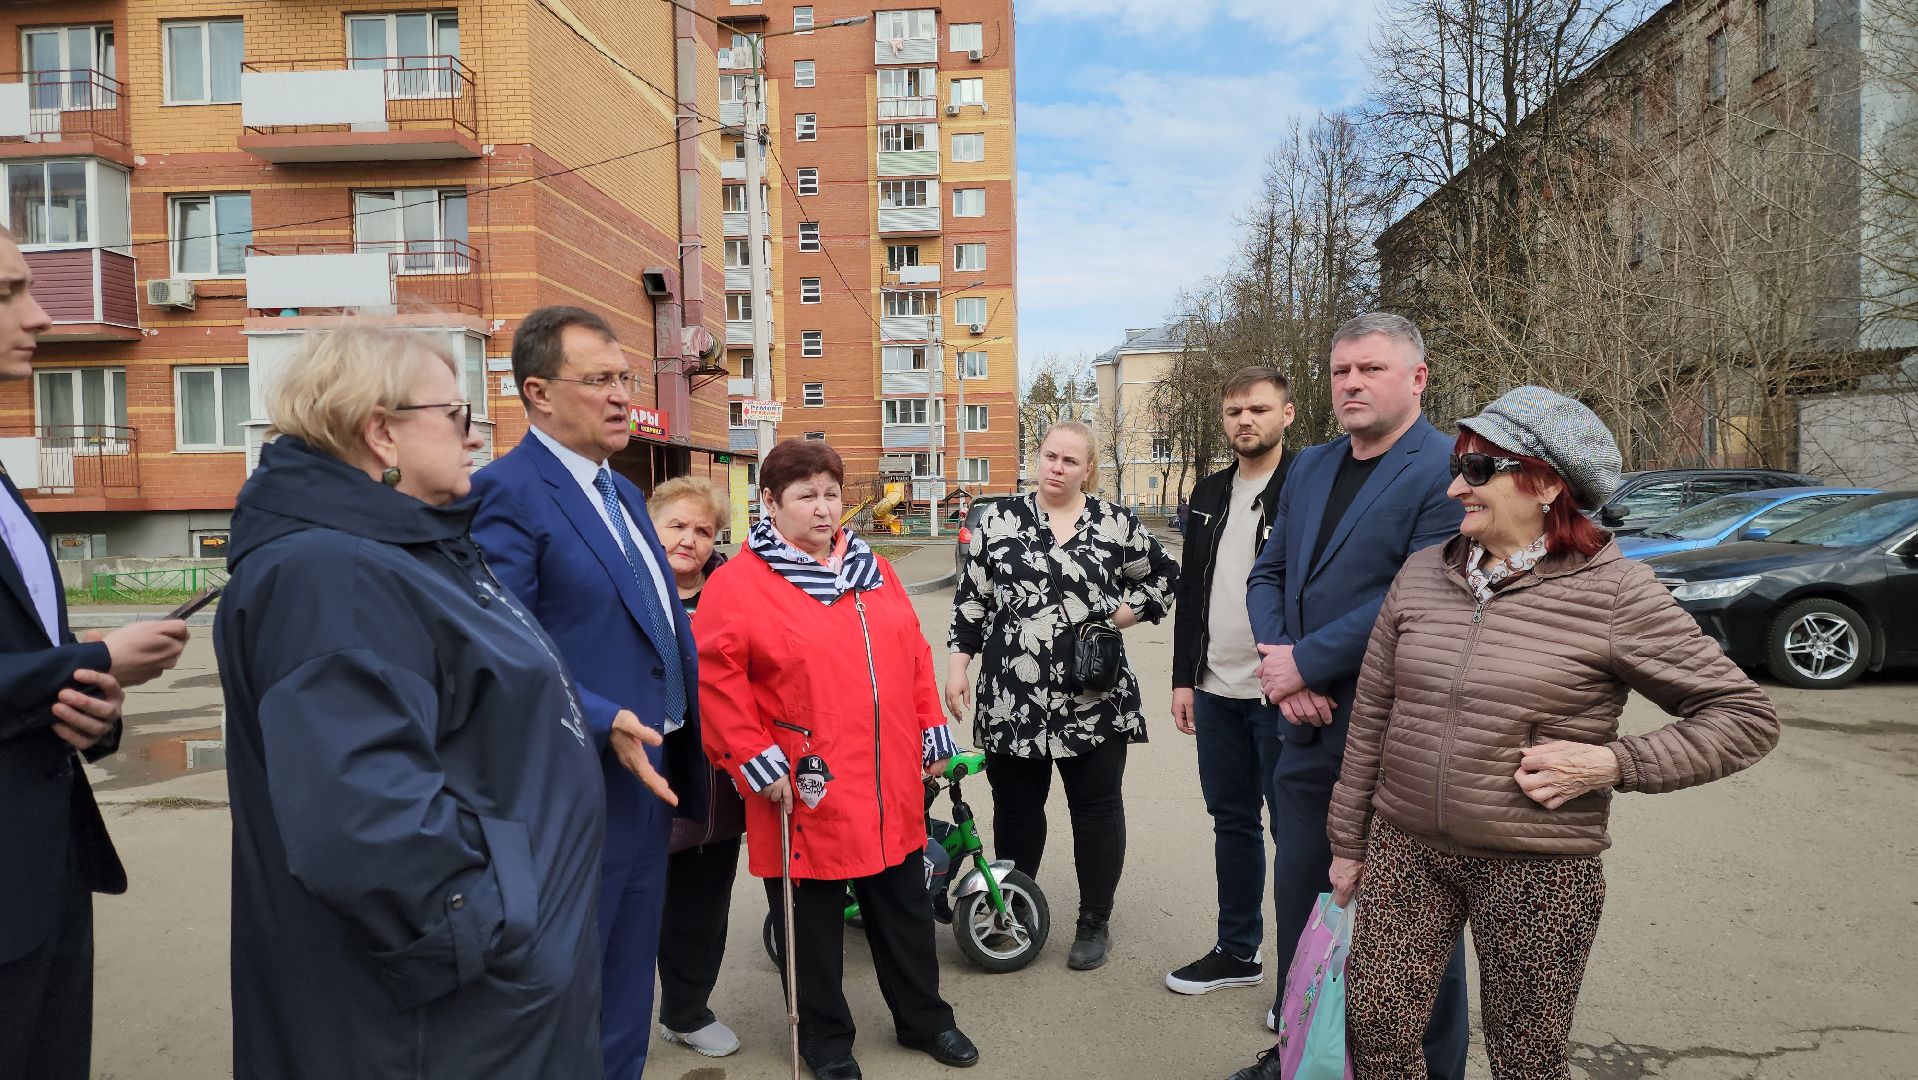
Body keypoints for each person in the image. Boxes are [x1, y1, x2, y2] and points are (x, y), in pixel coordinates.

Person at [1330, 387, 1779, 1078]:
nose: (1455, 487)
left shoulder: (1616, 593)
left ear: (1543, 483)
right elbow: (1374, 716)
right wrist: (1348, 844)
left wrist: (1611, 763)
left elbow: (1744, 718)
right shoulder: (1424, 573)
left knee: (1526, 1057)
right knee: (1377, 1026)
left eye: (1477, 471)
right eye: (1457, 465)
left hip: (1537, 867)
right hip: (1406, 847)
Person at [214, 324, 605, 1078]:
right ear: (381, 433)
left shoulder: (414, 549)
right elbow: (360, 825)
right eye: (457, 414)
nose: (476, 433)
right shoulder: (337, 574)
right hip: (444, 1019)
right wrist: (499, 938)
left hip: (493, 994)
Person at [1226, 313, 1469, 1080]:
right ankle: (1302, 1052)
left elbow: (1418, 596)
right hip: (1305, 733)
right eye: (1341, 372)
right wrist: (1281, 664)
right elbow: (1267, 574)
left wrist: (1304, 666)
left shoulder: (1448, 470)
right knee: (1301, 903)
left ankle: (1428, 1067)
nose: (1352, 384)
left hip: (1396, 738)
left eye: (1370, 369)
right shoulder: (1311, 467)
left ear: (1417, 378)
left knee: (1413, 926)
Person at [469, 305, 705, 1080]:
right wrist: (604, 719)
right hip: (578, 781)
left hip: (648, 777)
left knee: (632, 977)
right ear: (538, 393)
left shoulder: (626, 492)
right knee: (574, 983)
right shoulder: (506, 493)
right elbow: (505, 646)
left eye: (624, 379)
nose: (620, 398)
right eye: (598, 380)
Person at [697, 439, 977, 1080]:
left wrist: (931, 729)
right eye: (806, 497)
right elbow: (717, 682)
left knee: (904, 907)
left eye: (831, 495)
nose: (824, 511)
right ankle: (825, 1039)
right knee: (812, 922)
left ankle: (925, 1019)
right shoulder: (739, 584)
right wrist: (755, 759)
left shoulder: (873, 570)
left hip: (887, 777)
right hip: (804, 784)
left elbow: (910, 654)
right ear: (770, 502)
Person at [0, 228, 190, 1080]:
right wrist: (94, 657)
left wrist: (92, 702)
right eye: (8, 294)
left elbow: (27, 661)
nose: (38, 316)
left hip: (42, 881)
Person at [946, 420, 1179, 972]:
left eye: (1070, 461)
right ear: (1037, 457)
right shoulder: (997, 521)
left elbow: (1165, 577)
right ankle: (1016, 912)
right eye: (1050, 456)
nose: (1057, 467)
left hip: (1093, 698)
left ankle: (1094, 920)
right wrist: (958, 667)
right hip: (1011, 697)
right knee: (1018, 812)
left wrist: (1116, 618)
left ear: (1087, 470)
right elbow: (971, 601)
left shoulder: (1115, 524)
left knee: (1096, 811)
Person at [1165, 367, 1295, 998]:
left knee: (1294, 833)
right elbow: (1192, 592)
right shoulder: (1210, 492)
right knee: (1231, 821)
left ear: (1287, 415)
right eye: (1234, 411)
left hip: (1284, 691)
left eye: (1259, 409)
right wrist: (1183, 678)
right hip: (1216, 689)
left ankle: (1303, 981)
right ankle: (1237, 950)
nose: (1245, 420)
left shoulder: (1306, 485)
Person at [649, 476, 747, 1059]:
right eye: (677, 526)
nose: (689, 540)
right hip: (647, 773)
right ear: (651, 528)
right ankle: (609, 1017)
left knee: (704, 901)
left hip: (717, 778)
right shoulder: (629, 589)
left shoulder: (733, 595)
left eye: (703, 530)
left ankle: (687, 1011)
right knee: (635, 903)